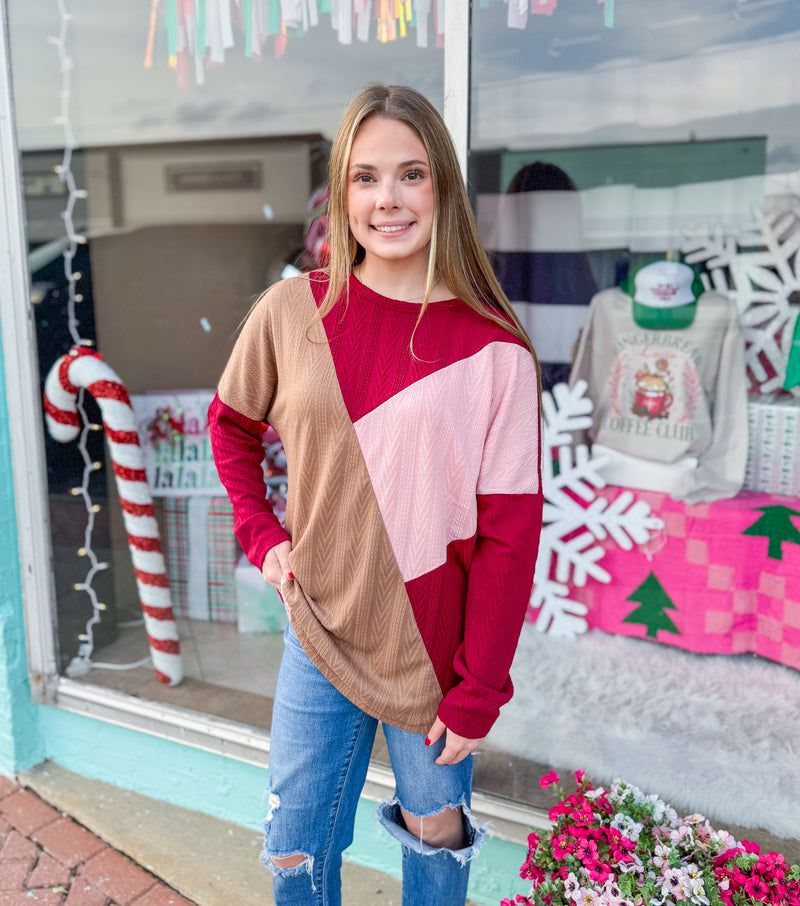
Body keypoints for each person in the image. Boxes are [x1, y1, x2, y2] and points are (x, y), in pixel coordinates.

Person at [208, 83, 544, 906]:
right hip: (318, 629)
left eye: (412, 175)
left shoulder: (493, 347)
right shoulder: (295, 310)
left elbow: (511, 534)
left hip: (434, 659)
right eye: (365, 177)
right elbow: (229, 426)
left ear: (443, 191)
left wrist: (480, 692)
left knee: (436, 849)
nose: (387, 199)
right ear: (341, 192)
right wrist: (263, 537)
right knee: (293, 849)